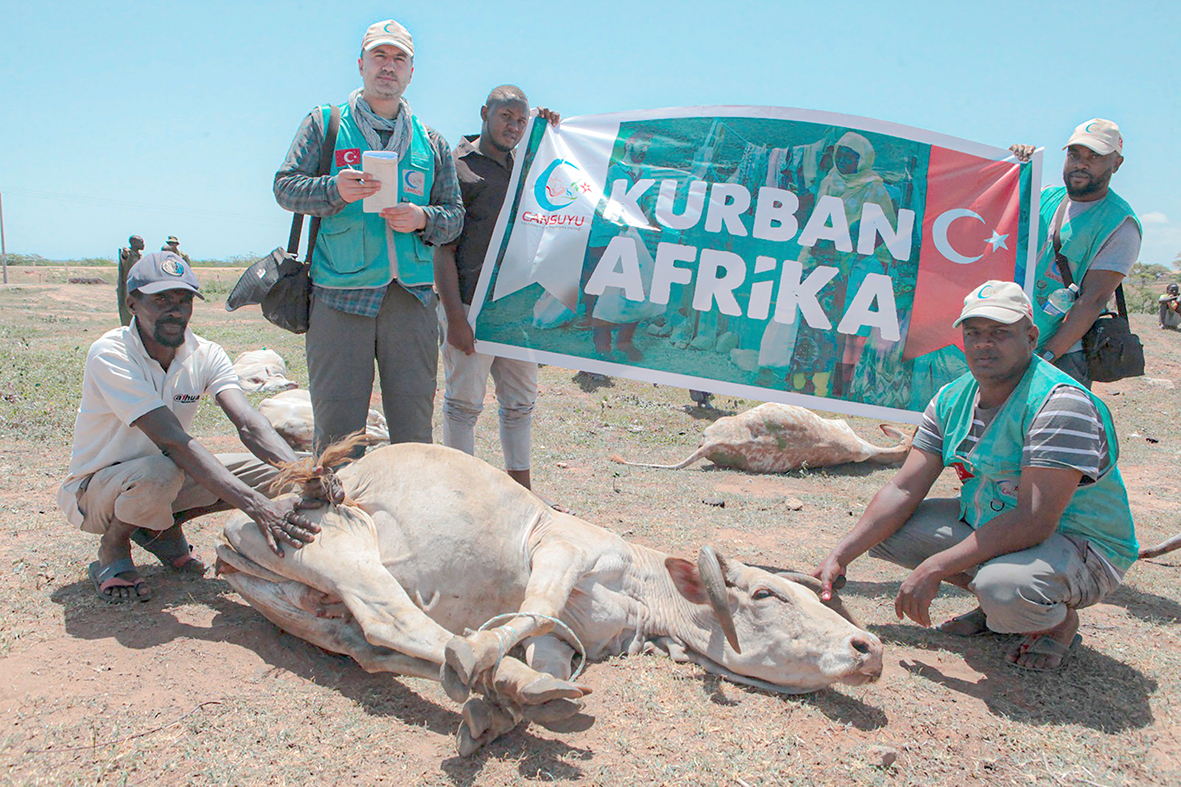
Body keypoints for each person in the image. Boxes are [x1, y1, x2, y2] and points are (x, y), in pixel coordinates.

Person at [813, 281, 1137, 671]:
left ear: (1031, 337)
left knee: (1003, 588)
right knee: (887, 532)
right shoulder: (952, 398)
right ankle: (999, 606)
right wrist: (840, 555)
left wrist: (935, 567)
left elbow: (1034, 522)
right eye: (974, 333)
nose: (985, 344)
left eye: (1000, 332)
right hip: (1002, 522)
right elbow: (903, 487)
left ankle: (1054, 622)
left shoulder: (1059, 403)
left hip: (1082, 543)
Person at [57, 252, 322, 603]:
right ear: (132, 303)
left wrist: (303, 474)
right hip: (98, 491)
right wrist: (257, 507)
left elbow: (249, 423)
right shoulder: (112, 353)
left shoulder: (205, 353)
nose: (175, 309)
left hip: (164, 473)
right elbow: (173, 439)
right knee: (163, 471)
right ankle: (114, 546)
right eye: (161, 299)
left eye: (183, 299)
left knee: (272, 472)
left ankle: (159, 530)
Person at [274, 19, 463, 453]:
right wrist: (333, 189)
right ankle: (337, 519)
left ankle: (408, 518)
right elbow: (284, 187)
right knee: (339, 438)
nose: (388, 66)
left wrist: (422, 218)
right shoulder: (325, 124)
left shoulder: (430, 142)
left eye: (399, 59)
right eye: (380, 56)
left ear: (411, 72)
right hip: (340, 297)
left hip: (411, 300)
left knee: (414, 435)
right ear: (361, 65)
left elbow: (454, 217)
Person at [434, 86, 558, 491]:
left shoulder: (528, 164)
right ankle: (461, 494)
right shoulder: (459, 167)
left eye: (521, 121)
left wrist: (550, 128)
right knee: (463, 405)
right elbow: (443, 250)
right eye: (506, 117)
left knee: (520, 404)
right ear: (485, 112)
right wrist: (455, 318)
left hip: (516, 309)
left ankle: (522, 494)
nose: (514, 127)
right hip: (470, 305)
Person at [1011, 119, 1141, 388]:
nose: (1081, 163)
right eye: (1074, 154)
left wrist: (1045, 358)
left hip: (1060, 357)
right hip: (1009, 339)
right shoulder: (1045, 196)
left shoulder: (1120, 224)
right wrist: (1015, 168)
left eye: (1095, 157)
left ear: (1116, 164)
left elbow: (1093, 300)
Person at [116, 235, 145, 326]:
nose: (143, 244)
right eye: (141, 242)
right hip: (127, 286)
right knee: (127, 308)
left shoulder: (139, 255)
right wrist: (125, 254)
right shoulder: (129, 254)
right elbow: (124, 258)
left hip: (138, 285)